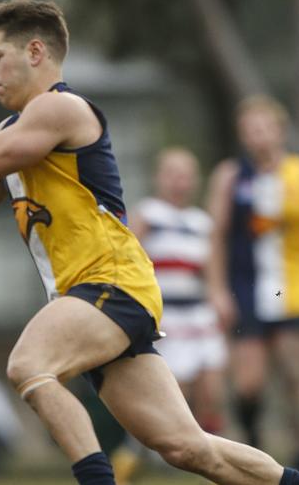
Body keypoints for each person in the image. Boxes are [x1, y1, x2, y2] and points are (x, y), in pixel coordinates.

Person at [0, 1, 299, 484]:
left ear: (36, 52)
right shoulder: (11, 132)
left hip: (109, 281)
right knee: (187, 447)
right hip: (90, 297)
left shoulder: (60, 107)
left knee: (29, 364)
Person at [206, 95, 299, 472]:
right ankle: (253, 447)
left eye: (264, 127)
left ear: (279, 130)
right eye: (249, 129)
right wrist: (217, 291)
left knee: (294, 374)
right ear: (242, 135)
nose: (257, 135)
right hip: (246, 289)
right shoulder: (230, 176)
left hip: (291, 289)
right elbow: (216, 238)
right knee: (248, 385)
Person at [112, 147, 228, 485]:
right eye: (172, 173)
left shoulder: (201, 222)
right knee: (172, 394)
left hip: (199, 315)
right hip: (167, 318)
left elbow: (213, 272)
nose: (180, 181)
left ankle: (214, 459)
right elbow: (128, 260)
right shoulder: (148, 214)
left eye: (186, 174)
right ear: (159, 178)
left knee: (212, 393)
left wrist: (220, 298)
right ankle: (133, 454)